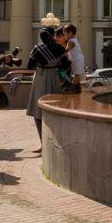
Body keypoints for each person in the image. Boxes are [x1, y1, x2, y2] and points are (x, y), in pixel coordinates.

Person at [26, 20, 72, 153]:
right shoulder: (60, 48)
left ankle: (43, 143)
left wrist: (42, 62)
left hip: (41, 77)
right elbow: (66, 65)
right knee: (55, 109)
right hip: (56, 78)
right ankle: (56, 141)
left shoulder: (37, 49)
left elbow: (30, 66)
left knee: (38, 110)